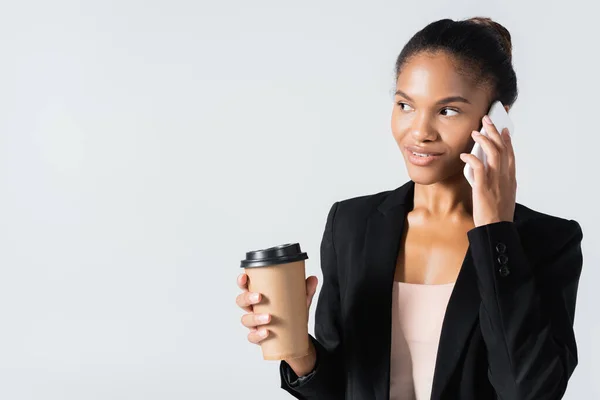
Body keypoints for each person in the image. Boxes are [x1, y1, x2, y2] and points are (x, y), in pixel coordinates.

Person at [235, 16, 584, 400]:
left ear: (496, 119)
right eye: (405, 104)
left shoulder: (547, 242)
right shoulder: (352, 225)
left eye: (447, 111)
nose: (419, 131)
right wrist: (300, 352)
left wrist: (495, 231)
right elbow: (343, 388)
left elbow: (528, 390)